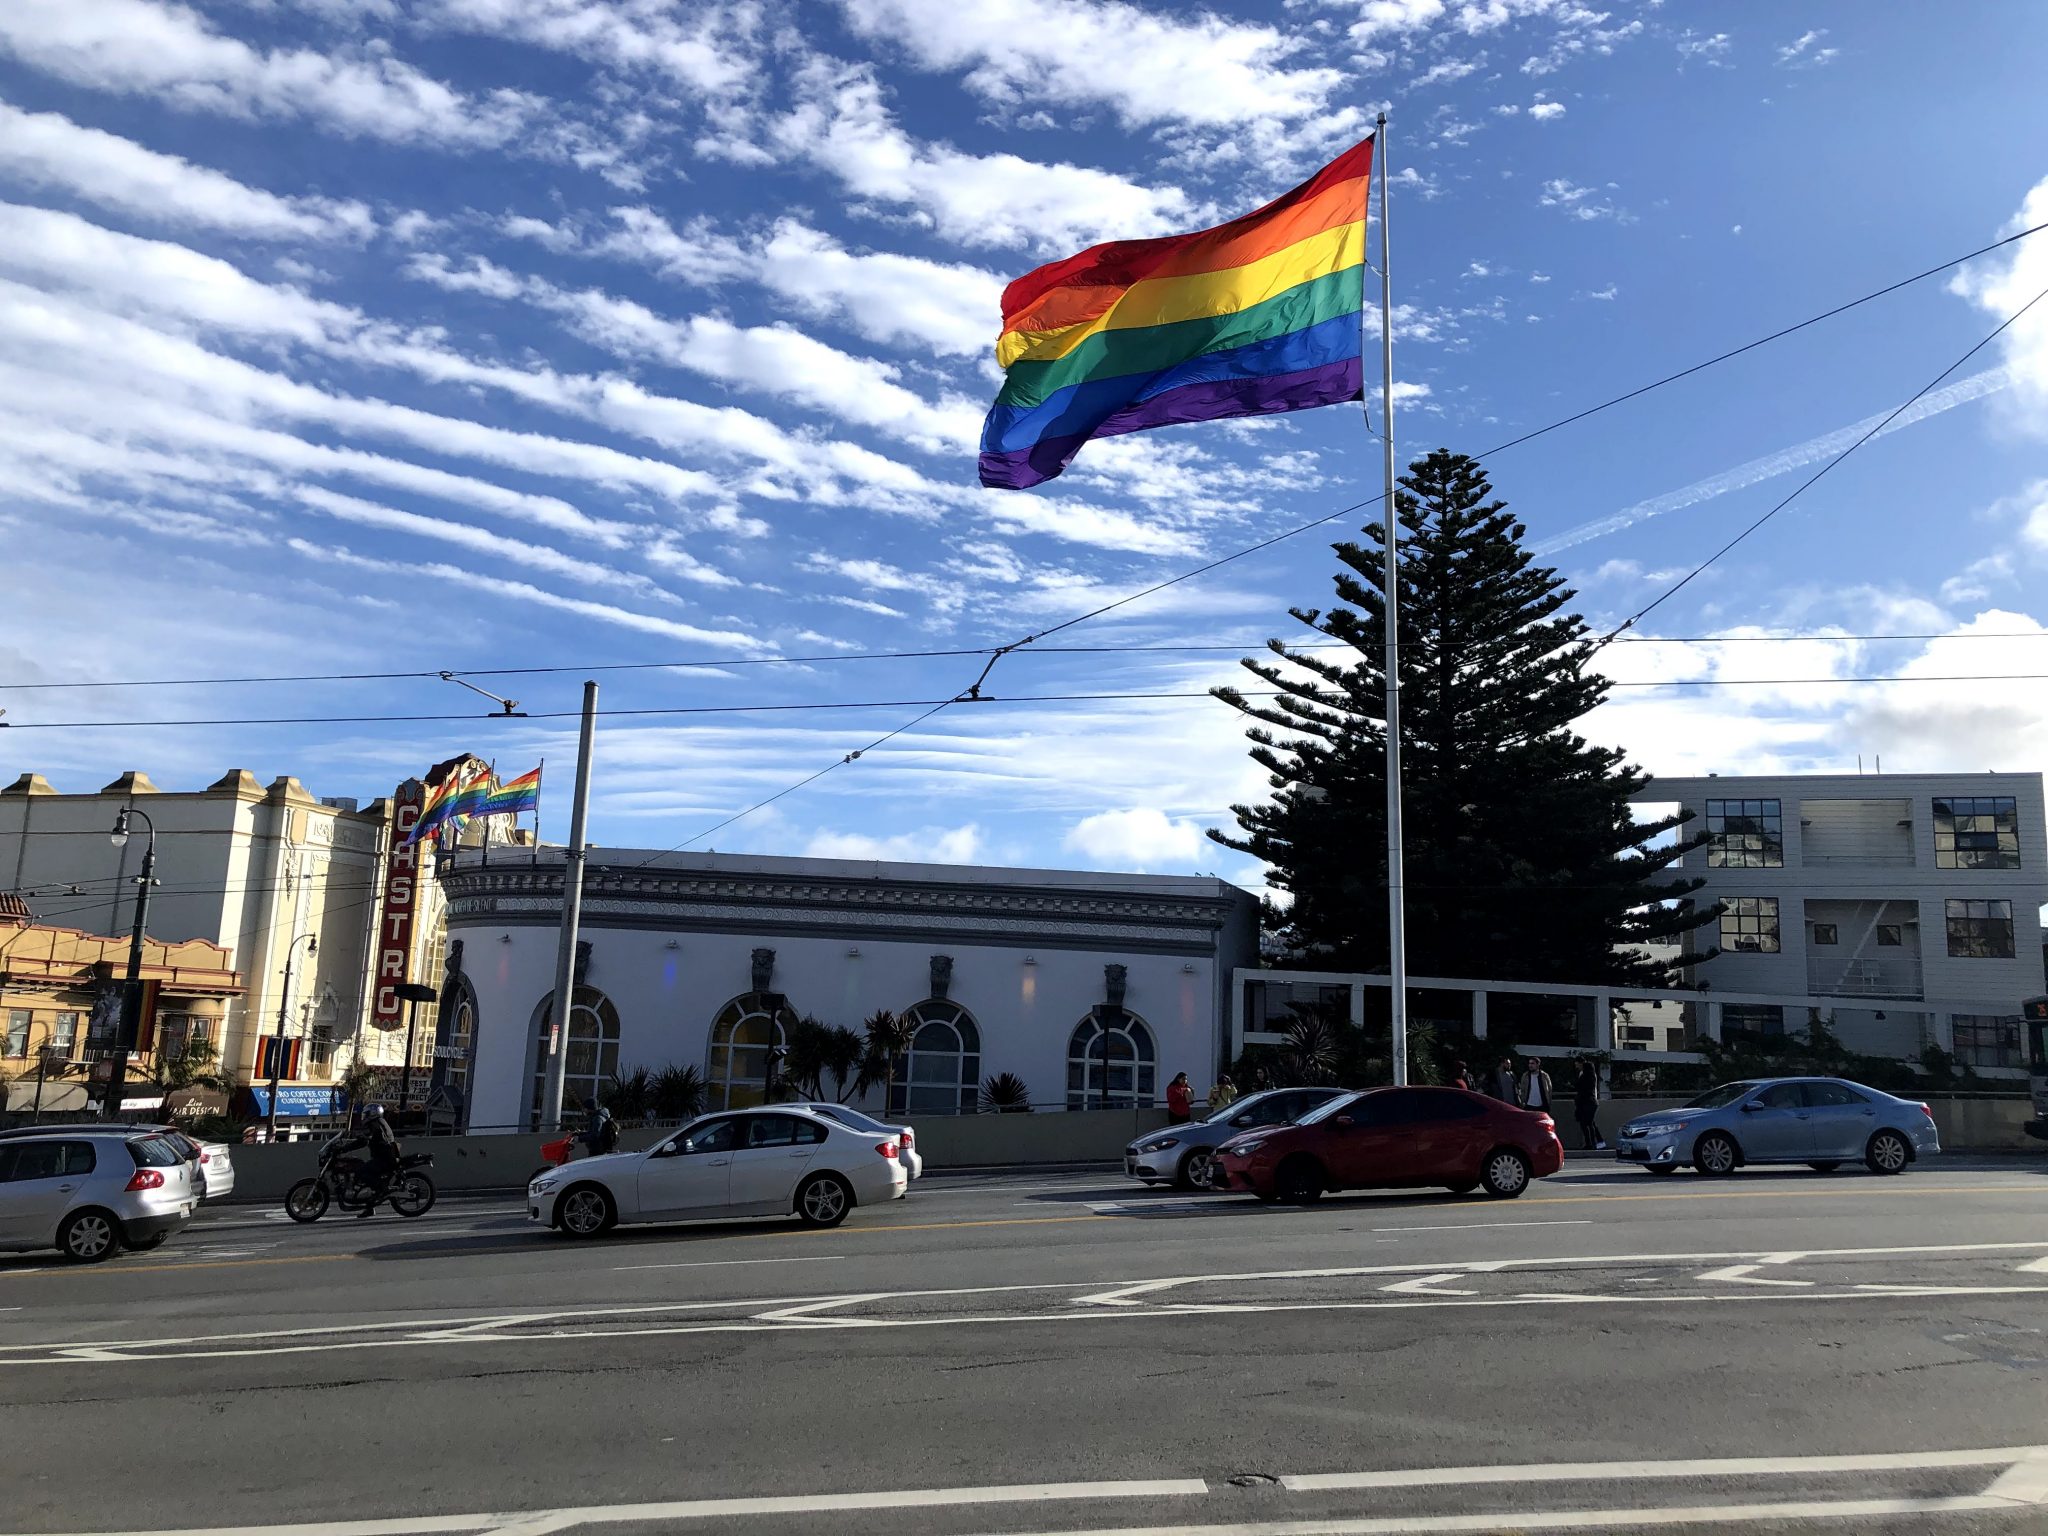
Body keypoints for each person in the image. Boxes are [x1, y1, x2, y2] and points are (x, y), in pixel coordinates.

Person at [353, 1104, 400, 1219]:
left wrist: (347, 1147)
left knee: (361, 1172)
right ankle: (370, 1206)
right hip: (384, 1156)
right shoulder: (379, 1122)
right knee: (364, 1171)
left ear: (373, 1114)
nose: (364, 1116)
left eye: (367, 1114)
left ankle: (381, 1189)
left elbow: (367, 1139)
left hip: (385, 1158)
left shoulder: (376, 1124)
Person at [1573, 1059, 1601, 1150]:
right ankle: (1593, 1143)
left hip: (1586, 1102)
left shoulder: (1585, 1076)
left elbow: (1579, 1087)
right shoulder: (1592, 1076)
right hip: (1590, 1102)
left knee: (1586, 1123)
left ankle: (1591, 1143)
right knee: (1589, 1123)